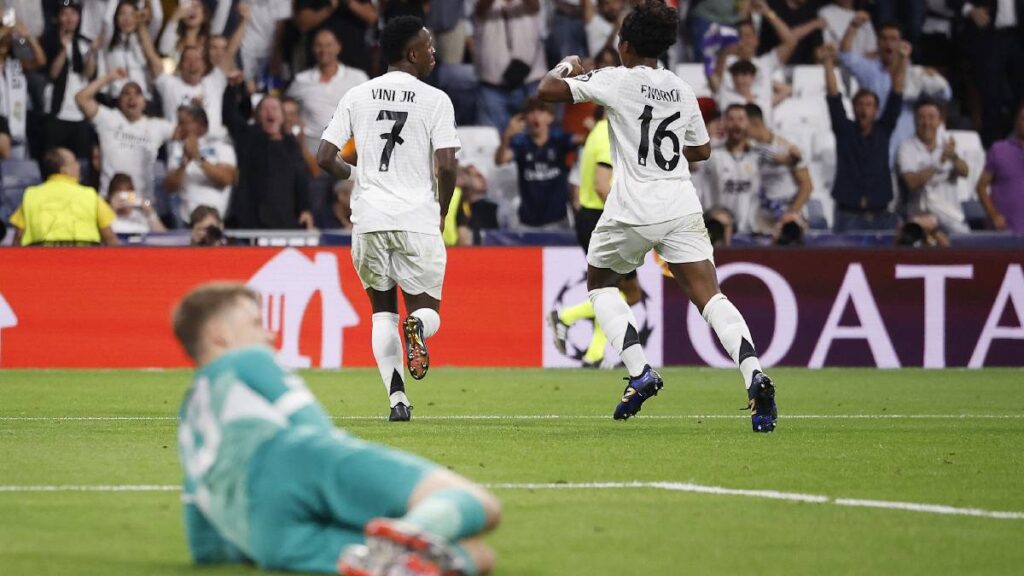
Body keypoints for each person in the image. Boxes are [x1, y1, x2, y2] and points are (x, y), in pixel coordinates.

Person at [538, 0, 777, 432]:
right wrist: (667, 151)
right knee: (711, 297)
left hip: (632, 207)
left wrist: (567, 65)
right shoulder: (682, 89)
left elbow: (546, 90)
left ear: (625, 46)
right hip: (680, 204)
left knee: (600, 285)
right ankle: (754, 374)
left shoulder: (617, 79)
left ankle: (640, 370)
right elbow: (703, 150)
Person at [171, 283, 500, 576]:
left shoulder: (190, 410)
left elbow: (204, 542)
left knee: (475, 556)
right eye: (257, 324)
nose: (269, 335)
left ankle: (394, 558)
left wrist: (246, 545)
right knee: (478, 503)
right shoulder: (249, 360)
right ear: (218, 334)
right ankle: (410, 532)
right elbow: (313, 428)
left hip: (265, 534)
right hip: (293, 459)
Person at [317, 16, 460, 422]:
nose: (433, 53)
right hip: (416, 218)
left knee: (383, 313)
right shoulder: (436, 100)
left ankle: (397, 399)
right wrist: (443, 209)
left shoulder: (357, 95)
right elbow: (447, 166)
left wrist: (356, 174)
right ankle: (418, 329)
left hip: (369, 220)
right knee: (426, 311)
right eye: (429, 46)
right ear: (412, 53)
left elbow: (325, 158)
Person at [548, 111, 644, 368]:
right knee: (629, 293)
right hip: (603, 219)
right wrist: (625, 218)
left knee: (611, 292)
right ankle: (566, 317)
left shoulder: (597, 133)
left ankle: (594, 355)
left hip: (591, 218)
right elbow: (603, 185)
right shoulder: (607, 135)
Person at [838, 18, 951, 160]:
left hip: (908, 142)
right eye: (884, 39)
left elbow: (945, 95)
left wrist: (936, 79)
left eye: (893, 39)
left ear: (901, 43)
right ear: (877, 42)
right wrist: (853, 26)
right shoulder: (868, 70)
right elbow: (845, 56)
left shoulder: (915, 74)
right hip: (876, 142)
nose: (888, 44)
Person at [824, 43, 904, 232]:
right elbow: (833, 98)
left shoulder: (884, 130)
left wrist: (904, 60)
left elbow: (896, 95)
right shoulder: (844, 130)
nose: (864, 109)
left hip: (881, 214)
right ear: (853, 108)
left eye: (869, 105)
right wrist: (827, 63)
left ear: (876, 110)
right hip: (847, 214)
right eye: (860, 104)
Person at [76, 67, 175, 207]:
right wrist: (109, 77)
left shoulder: (157, 126)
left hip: (143, 203)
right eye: (126, 93)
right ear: (119, 101)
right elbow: (81, 98)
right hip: (109, 201)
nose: (131, 98)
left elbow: (187, 131)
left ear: (144, 102)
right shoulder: (108, 119)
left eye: (137, 94)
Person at [223, 78, 314, 230]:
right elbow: (230, 116)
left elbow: (301, 179)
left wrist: (305, 209)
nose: (270, 112)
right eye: (265, 109)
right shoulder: (249, 138)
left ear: (283, 116)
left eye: (275, 109)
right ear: (258, 116)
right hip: (253, 223)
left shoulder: (291, 144)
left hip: (286, 221)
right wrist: (233, 88)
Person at [9, 147, 118, 246]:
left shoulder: (31, 195)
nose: (78, 166)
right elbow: (110, 239)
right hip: (83, 260)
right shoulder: (90, 195)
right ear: (63, 170)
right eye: (74, 162)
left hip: (41, 260)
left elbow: (18, 237)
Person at [495, 96, 576, 229]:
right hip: (527, 223)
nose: (535, 116)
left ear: (550, 117)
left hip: (558, 221)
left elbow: (582, 140)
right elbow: (500, 160)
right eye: (531, 112)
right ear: (525, 119)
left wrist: (593, 126)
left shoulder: (559, 140)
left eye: (541, 111)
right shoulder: (520, 143)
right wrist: (507, 136)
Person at [286, 28, 370, 154]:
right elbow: (286, 106)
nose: (324, 50)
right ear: (313, 49)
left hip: (348, 153)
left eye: (328, 45)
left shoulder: (358, 78)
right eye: (319, 46)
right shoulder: (301, 80)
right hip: (310, 152)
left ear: (338, 47)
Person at [897, 98, 970, 234]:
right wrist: (938, 162)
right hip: (921, 219)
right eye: (922, 118)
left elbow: (965, 172)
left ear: (940, 120)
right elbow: (912, 182)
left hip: (950, 218)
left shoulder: (948, 143)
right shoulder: (906, 147)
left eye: (931, 117)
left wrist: (953, 156)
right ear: (914, 120)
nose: (926, 123)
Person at [473, 0, 546, 132]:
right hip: (491, 87)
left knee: (531, 141)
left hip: (530, 82)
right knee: (492, 142)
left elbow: (534, 5)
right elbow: (480, 8)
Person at [744, 103, 812, 235]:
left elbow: (807, 186)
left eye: (743, 122)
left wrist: (790, 213)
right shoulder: (749, 147)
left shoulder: (789, 144)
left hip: (791, 213)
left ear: (755, 123)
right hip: (763, 217)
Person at [166, 105, 237, 227]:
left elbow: (227, 179)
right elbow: (169, 187)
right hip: (185, 222)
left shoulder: (221, 146)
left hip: (216, 220)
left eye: (184, 123)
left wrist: (198, 159)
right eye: (179, 123)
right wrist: (183, 164)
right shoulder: (176, 149)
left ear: (202, 125)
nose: (179, 127)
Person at [703, 104, 760, 234]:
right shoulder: (712, 154)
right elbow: (691, 162)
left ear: (748, 123)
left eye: (740, 119)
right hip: (718, 229)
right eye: (731, 119)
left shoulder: (757, 155)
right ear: (724, 123)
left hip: (749, 230)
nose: (736, 124)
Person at [154, 45, 229, 136]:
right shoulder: (170, 85)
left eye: (197, 59)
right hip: (181, 146)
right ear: (180, 65)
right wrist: (142, 30)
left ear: (204, 66)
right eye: (187, 59)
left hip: (215, 145)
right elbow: (151, 58)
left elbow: (231, 53)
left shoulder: (214, 83)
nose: (192, 63)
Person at [976, 101, 1024, 234]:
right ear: (1016, 122)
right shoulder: (999, 149)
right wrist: (994, 215)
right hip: (1005, 233)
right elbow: (981, 187)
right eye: (1023, 119)